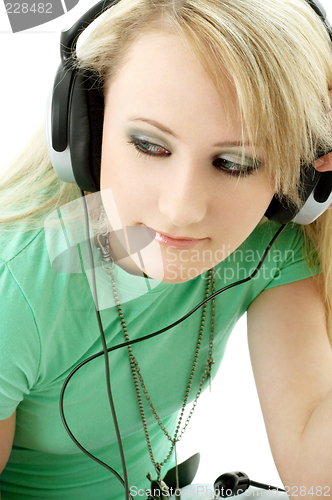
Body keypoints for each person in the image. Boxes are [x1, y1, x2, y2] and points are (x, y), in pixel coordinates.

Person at [1, 0, 332, 498]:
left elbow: (315, 476)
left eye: (235, 163)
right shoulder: (20, 281)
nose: (181, 209)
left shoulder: (269, 244)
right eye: (150, 146)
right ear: (83, 126)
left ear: (302, 176)